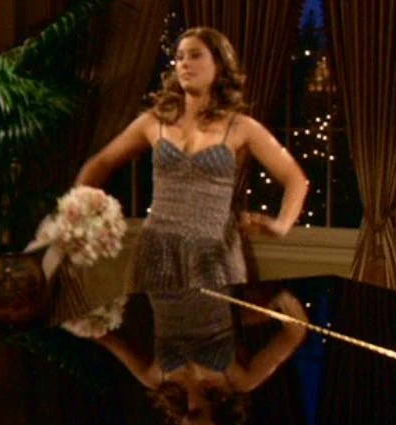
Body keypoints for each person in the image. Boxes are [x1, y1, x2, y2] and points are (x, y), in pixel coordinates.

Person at [74, 27, 308, 293]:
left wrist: (280, 225)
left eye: (195, 55)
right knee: (150, 318)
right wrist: (78, 213)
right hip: (156, 251)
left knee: (213, 318)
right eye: (180, 57)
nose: (185, 63)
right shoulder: (154, 121)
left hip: (213, 255)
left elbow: (295, 179)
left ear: (219, 64)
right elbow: (101, 163)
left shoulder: (241, 127)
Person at [95, 288, 308, 425]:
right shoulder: (239, 382)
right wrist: (280, 297)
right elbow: (295, 332)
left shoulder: (157, 381)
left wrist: (82, 321)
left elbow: (106, 338)